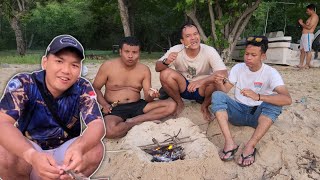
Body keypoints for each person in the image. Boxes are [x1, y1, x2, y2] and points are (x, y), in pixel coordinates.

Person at [0, 35, 105, 179]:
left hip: (65, 154)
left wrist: (80, 147)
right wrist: (31, 155)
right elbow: (3, 123)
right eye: (59, 61)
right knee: (2, 151)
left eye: (74, 65)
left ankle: (68, 177)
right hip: (30, 152)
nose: (66, 70)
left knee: (95, 148)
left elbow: (97, 124)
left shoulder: (82, 87)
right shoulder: (24, 83)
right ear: (45, 62)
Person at [211, 36, 292, 167]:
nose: (248, 58)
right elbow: (224, 91)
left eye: (253, 55)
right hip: (238, 114)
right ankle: (230, 142)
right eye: (246, 54)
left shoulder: (271, 73)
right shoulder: (238, 68)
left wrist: (259, 96)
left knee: (275, 103)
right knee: (217, 95)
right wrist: (220, 83)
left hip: (258, 117)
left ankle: (250, 146)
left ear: (263, 56)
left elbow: (287, 99)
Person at [93, 36, 176, 139]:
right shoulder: (108, 66)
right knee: (110, 130)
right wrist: (104, 105)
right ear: (120, 52)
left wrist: (152, 95)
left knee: (171, 105)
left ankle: (134, 121)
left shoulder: (144, 70)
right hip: (114, 107)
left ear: (139, 53)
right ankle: (137, 122)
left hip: (137, 106)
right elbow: (95, 88)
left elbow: (147, 98)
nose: (130, 56)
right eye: (126, 52)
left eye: (134, 52)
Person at [155, 22, 227, 120]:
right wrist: (166, 62)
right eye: (188, 36)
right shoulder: (176, 49)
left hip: (203, 89)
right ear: (182, 41)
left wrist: (201, 82)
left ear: (199, 36)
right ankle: (179, 103)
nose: (193, 38)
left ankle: (205, 106)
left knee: (218, 80)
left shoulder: (209, 51)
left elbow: (223, 73)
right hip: (184, 87)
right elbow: (157, 68)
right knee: (165, 73)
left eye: (195, 34)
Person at [296, 4, 319, 69]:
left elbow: (309, 27)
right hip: (304, 35)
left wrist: (301, 23)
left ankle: (307, 65)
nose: (307, 12)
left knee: (308, 50)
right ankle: (300, 64)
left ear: (311, 10)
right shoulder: (310, 17)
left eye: (308, 11)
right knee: (302, 50)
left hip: (308, 35)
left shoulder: (315, 17)